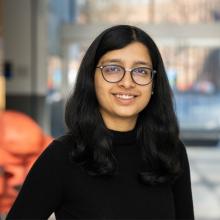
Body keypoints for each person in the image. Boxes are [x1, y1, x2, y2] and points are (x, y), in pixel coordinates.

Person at [6, 25, 194, 220]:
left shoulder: (171, 152)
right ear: (91, 78)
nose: (127, 82)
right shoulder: (62, 156)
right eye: (112, 69)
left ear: (154, 83)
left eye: (141, 71)